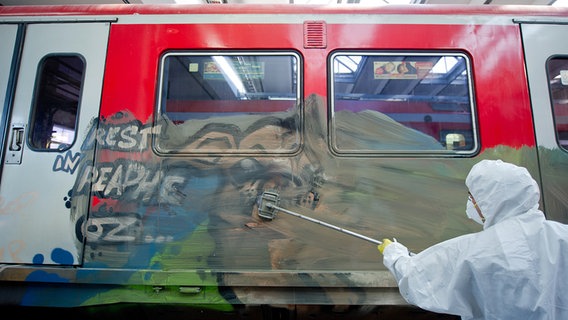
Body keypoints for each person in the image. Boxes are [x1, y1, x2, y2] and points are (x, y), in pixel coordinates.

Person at [378, 159, 568, 319]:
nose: (471, 203)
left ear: (490, 198)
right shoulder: (562, 236)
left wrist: (395, 254)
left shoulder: (473, 250)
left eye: (473, 196)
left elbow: (418, 279)